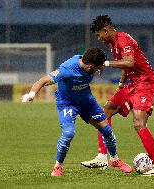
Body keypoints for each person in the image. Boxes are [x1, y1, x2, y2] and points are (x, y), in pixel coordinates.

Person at [22, 47, 133, 176]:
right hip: (68, 104)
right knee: (69, 133)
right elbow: (43, 80)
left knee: (106, 130)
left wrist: (101, 67)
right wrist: (31, 94)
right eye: (98, 67)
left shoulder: (88, 61)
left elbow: (98, 63)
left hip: (87, 102)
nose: (100, 69)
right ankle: (58, 166)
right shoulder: (67, 70)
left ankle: (114, 160)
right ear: (91, 67)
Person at [81, 15, 154, 176]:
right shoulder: (113, 45)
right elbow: (126, 68)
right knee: (104, 112)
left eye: (99, 35)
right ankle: (101, 157)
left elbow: (129, 62)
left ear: (105, 30)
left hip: (145, 82)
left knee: (139, 123)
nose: (99, 38)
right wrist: (120, 85)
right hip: (132, 83)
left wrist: (103, 63)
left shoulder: (123, 39)